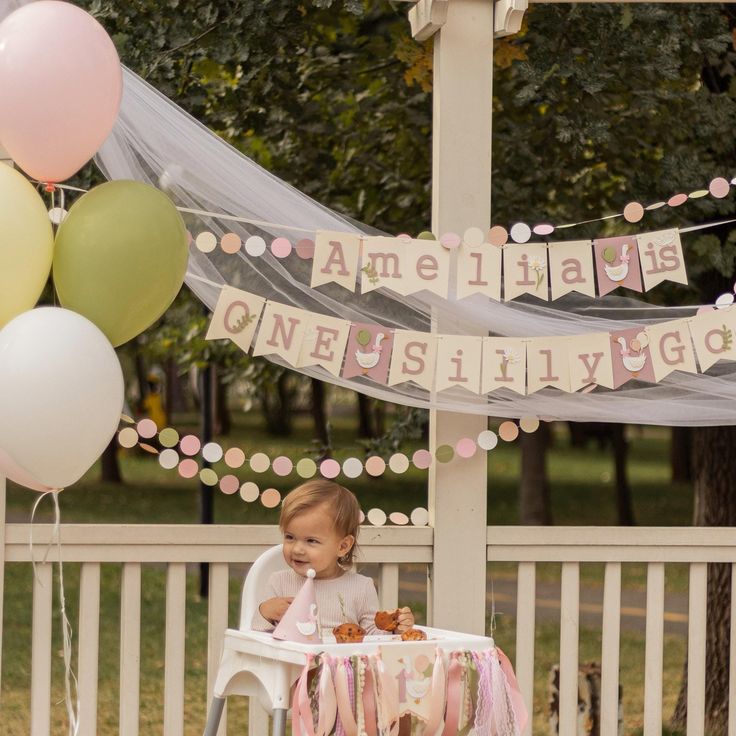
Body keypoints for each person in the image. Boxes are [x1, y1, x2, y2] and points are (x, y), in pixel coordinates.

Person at [256, 479, 414, 635]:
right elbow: (257, 638)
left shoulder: (361, 587)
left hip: (344, 660)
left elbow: (372, 635)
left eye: (311, 541)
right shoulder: (279, 583)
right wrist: (265, 613)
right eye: (290, 537)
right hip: (292, 660)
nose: (297, 549)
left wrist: (395, 629)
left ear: (343, 546)